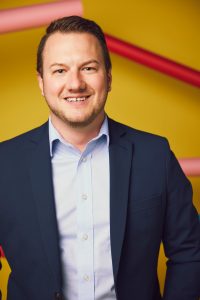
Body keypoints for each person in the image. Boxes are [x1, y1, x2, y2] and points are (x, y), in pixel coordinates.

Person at [0, 15, 200, 300]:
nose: (75, 83)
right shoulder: (4, 163)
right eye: (59, 71)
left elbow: (190, 251)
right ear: (41, 82)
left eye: (88, 68)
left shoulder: (155, 156)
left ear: (108, 76)